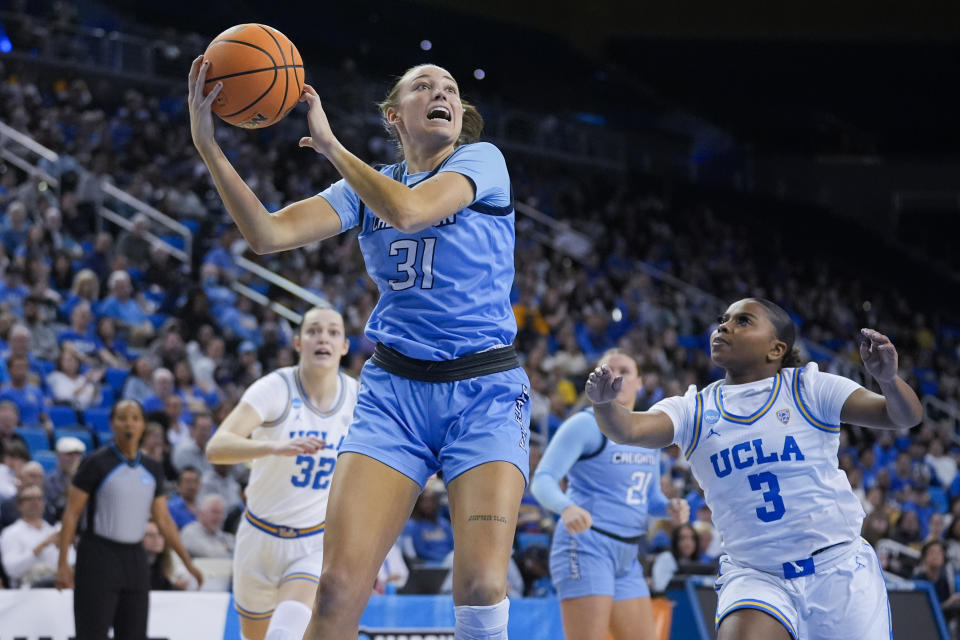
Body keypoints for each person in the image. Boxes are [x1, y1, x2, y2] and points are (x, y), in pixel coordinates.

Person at [190, 59, 528, 640]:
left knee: (479, 588)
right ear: (396, 116)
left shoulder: (482, 161)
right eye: (424, 85)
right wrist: (207, 144)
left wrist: (330, 147)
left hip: (484, 391)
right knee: (339, 589)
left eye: (449, 87)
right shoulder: (362, 188)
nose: (441, 92)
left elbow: (410, 211)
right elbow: (266, 235)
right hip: (394, 395)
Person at [586, 298, 923, 640]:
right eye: (723, 319)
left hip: (838, 570)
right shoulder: (693, 409)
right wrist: (604, 406)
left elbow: (903, 416)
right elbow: (628, 430)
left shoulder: (809, 387)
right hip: (756, 575)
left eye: (743, 321)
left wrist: (889, 380)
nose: (724, 327)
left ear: (776, 349)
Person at [205, 306, 357, 640]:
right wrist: (273, 448)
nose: (323, 338)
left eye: (333, 332)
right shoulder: (275, 388)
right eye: (314, 330)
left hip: (311, 543)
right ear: (299, 341)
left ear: (345, 346)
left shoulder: (357, 399)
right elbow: (217, 446)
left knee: (284, 635)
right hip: (258, 538)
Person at [531, 350, 688, 640]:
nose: (615, 377)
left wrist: (670, 508)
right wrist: (566, 507)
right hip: (587, 547)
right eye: (607, 370)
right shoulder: (585, 424)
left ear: (640, 383)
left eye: (624, 371)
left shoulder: (646, 430)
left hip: (628, 555)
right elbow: (542, 479)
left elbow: (649, 497)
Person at [55, 399, 203, 640]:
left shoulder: (153, 468)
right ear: (112, 424)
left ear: (143, 425)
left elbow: (164, 520)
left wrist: (187, 561)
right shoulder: (95, 463)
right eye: (122, 418)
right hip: (97, 556)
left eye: (135, 418)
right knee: (91, 633)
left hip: (135, 558)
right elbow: (71, 515)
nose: (129, 424)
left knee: (134, 634)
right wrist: (62, 564)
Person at [0, 484, 72, 587]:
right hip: (26, 592)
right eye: (29, 499)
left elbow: (72, 562)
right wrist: (41, 547)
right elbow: (12, 570)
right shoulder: (10, 534)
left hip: (59, 589)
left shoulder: (56, 531)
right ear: (19, 505)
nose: (35, 502)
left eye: (39, 498)